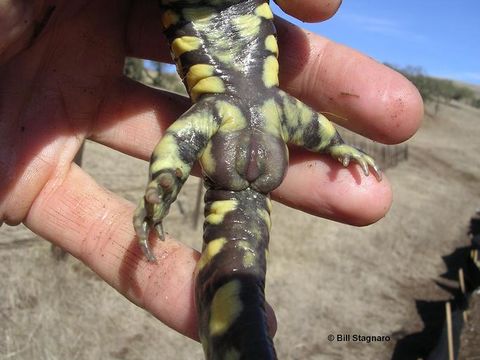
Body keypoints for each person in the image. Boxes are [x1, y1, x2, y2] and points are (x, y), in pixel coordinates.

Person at [0, 0, 422, 341]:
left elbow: (187, 138)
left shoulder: (253, 112)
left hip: (242, 110)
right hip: (252, 109)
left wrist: (334, 143)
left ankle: (168, 190)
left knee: (204, 134)